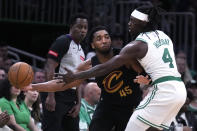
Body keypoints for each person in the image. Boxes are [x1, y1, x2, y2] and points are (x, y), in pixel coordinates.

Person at [57, 6, 187, 131]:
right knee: (152, 129)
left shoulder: (136, 45)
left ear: (142, 23)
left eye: (132, 21)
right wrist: (148, 77)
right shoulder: (164, 36)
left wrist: (75, 76)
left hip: (162, 91)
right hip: (180, 90)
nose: (129, 24)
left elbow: (105, 67)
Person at [26, 26, 143, 131]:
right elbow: (63, 83)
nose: (104, 41)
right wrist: (32, 86)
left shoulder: (124, 56)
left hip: (129, 106)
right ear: (92, 45)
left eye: (107, 37)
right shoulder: (88, 64)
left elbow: (145, 74)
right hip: (107, 106)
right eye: (99, 38)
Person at [41, 13, 88, 131]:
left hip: (71, 97)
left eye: (85, 28)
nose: (82, 30)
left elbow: (79, 79)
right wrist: (50, 96)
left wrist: (78, 103)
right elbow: (49, 66)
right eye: (79, 27)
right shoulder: (63, 41)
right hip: (56, 93)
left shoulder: (82, 50)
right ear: (71, 26)